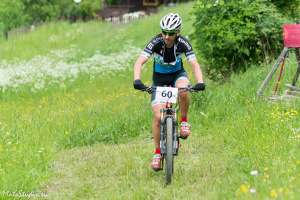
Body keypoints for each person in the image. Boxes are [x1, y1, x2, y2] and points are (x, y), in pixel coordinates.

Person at [133, 13, 205, 171]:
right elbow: (140, 61)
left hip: (177, 75)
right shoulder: (156, 41)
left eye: (171, 33)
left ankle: (184, 121)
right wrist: (137, 80)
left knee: (184, 91)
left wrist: (200, 81)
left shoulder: (183, 43)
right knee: (158, 117)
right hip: (158, 81)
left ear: (177, 32)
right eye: (164, 32)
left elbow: (194, 64)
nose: (166, 36)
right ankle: (157, 153)